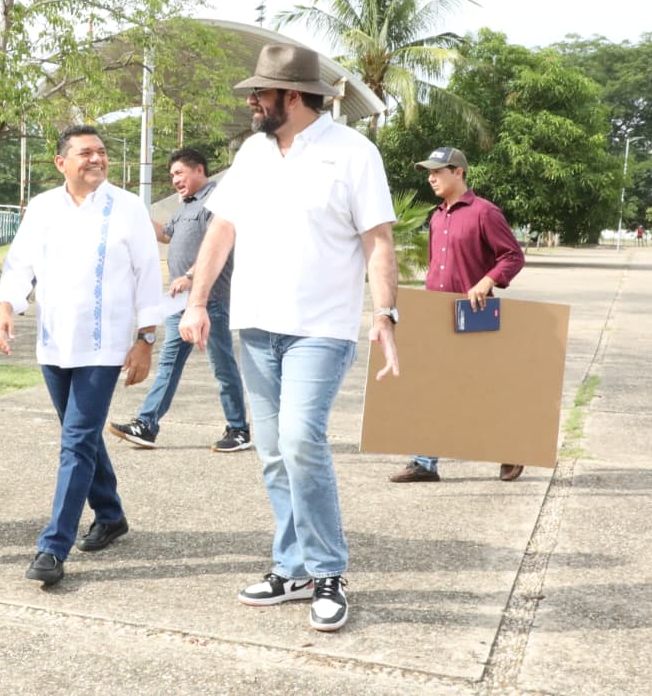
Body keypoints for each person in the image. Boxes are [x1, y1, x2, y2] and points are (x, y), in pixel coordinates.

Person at [178, 44, 400, 632]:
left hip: (320, 329)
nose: (252, 101)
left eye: (261, 93)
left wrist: (385, 313)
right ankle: (292, 567)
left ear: (293, 96)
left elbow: (378, 240)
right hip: (254, 325)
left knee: (302, 441)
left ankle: (328, 572)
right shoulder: (253, 152)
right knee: (274, 451)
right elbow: (222, 229)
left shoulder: (353, 153)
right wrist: (197, 302)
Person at [0, 125, 163, 587]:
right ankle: (110, 514)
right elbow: (20, 264)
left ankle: (53, 547)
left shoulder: (128, 207)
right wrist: (6, 306)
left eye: (101, 152)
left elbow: (149, 275)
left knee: (75, 440)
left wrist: (146, 339)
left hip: (104, 346)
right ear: (61, 162)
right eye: (86, 152)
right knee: (82, 436)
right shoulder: (43, 207)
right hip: (54, 343)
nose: (96, 159)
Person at [388, 147, 527, 485]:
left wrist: (487, 280)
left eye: (437, 171)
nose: (431, 178)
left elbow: (513, 256)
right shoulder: (437, 217)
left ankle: (511, 448)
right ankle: (425, 462)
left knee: (479, 387)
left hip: (474, 313)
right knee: (430, 386)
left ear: (459, 172)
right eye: (429, 172)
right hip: (436, 313)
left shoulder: (485, 212)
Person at [107, 147, 250, 452]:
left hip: (210, 301)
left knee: (222, 365)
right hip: (179, 304)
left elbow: (219, 244)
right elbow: (165, 234)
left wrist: (189, 275)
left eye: (179, 173)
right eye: (172, 175)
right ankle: (147, 425)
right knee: (169, 364)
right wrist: (136, 215)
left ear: (199, 170)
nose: (174, 180)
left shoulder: (216, 201)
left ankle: (238, 429)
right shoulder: (186, 206)